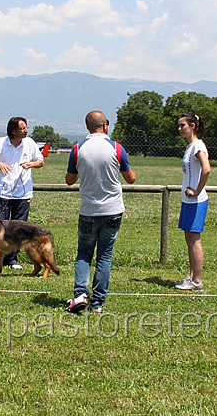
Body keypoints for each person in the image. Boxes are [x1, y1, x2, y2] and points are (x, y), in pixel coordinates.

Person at [65, 111, 136, 313]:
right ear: (105, 125)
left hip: (89, 210)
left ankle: (80, 294)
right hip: (113, 210)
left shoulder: (77, 149)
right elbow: (130, 178)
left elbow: (70, 180)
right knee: (105, 255)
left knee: (84, 254)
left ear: (87, 126)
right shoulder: (117, 148)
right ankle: (97, 303)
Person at [0, 117, 44, 272]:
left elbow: (40, 161)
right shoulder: (0, 143)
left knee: (18, 228)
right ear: (13, 131)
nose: (26, 131)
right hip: (4, 192)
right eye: (23, 128)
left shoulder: (30, 143)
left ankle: (12, 259)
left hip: (23, 193)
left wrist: (30, 164)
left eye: (26, 128)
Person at [174, 113, 211, 291]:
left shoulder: (198, 145)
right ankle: (191, 276)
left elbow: (206, 169)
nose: (180, 128)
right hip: (188, 201)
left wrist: (197, 190)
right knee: (189, 238)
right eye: (179, 126)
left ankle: (197, 281)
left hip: (196, 201)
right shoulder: (190, 146)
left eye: (183, 125)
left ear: (193, 125)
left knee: (194, 239)